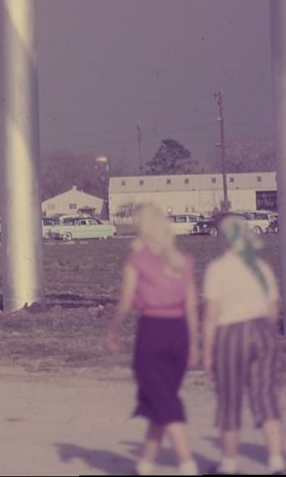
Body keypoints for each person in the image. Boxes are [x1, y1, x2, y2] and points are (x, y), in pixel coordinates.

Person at [107, 203, 199, 476]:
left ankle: (187, 464)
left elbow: (125, 302)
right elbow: (192, 306)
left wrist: (113, 329)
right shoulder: (184, 261)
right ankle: (145, 466)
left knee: (165, 400)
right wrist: (194, 343)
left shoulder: (137, 261)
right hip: (179, 334)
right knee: (160, 398)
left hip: (153, 332)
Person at [202, 214, 286, 475]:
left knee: (230, 399)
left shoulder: (218, 269)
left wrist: (208, 354)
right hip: (263, 332)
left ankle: (228, 465)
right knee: (266, 398)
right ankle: (276, 461)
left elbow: (211, 316)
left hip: (232, 336)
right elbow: (273, 311)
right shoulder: (261, 267)